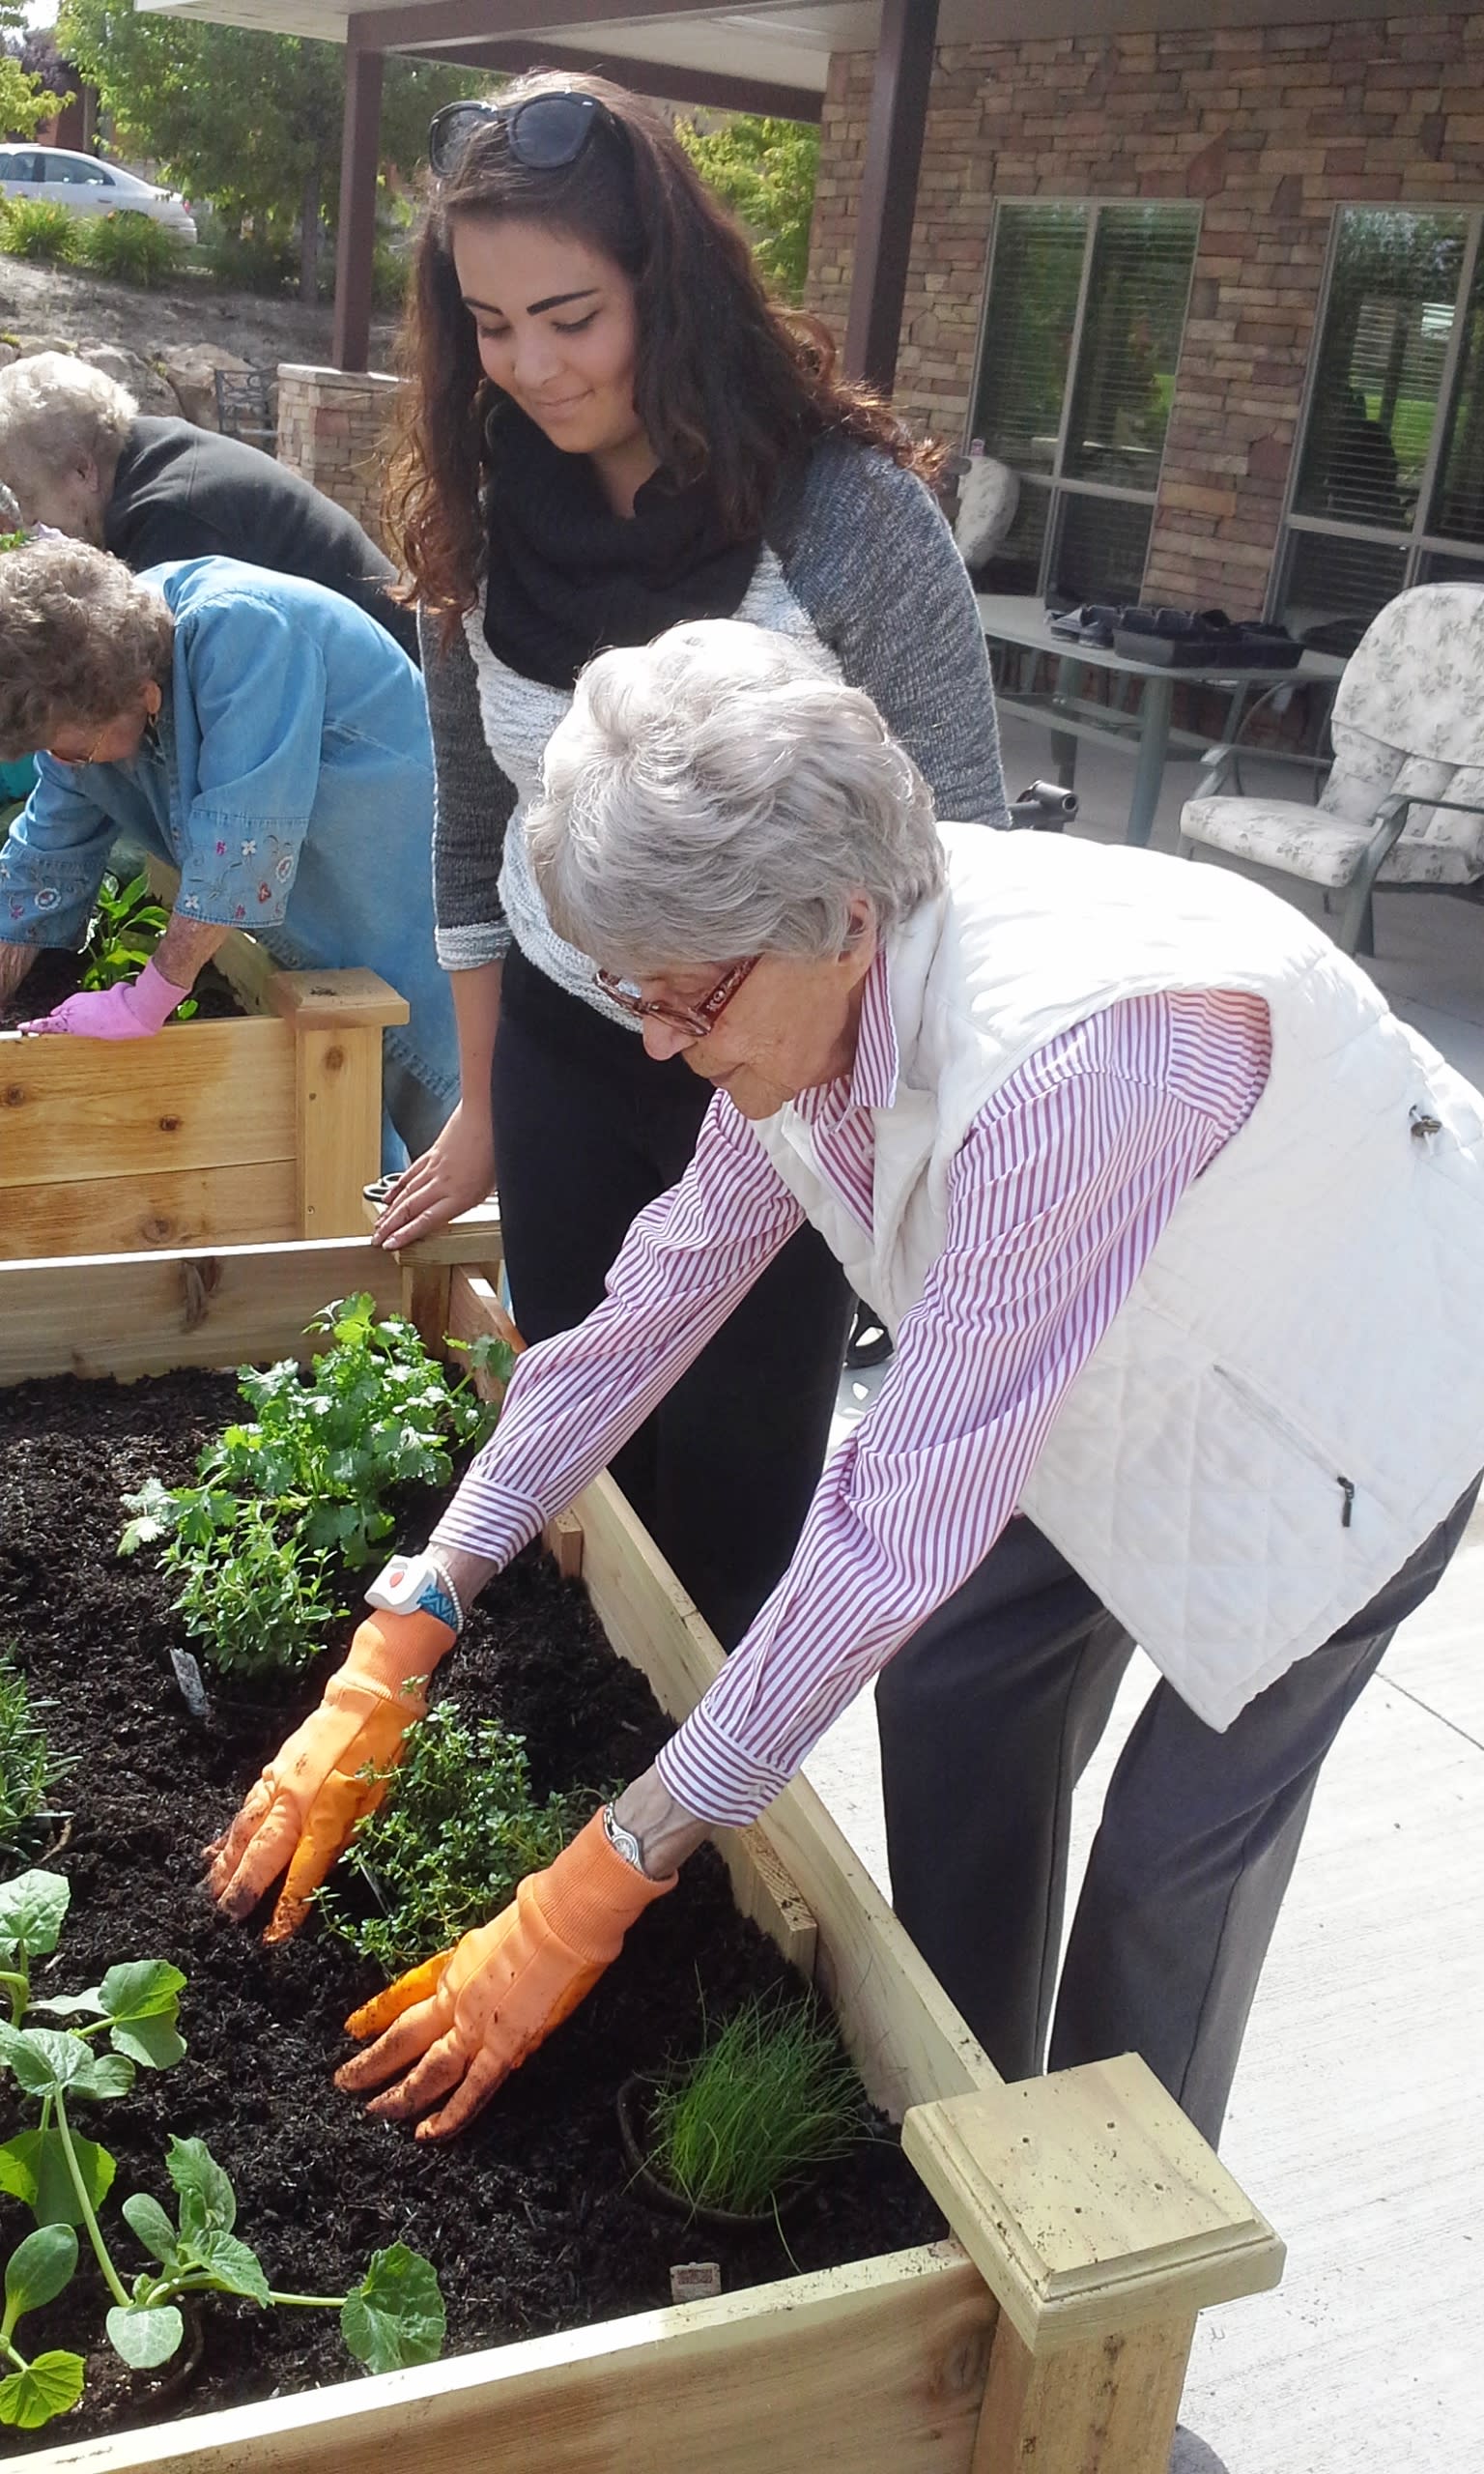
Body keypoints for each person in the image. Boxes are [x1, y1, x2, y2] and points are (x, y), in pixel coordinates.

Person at [206, 619, 1484, 2149]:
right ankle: (964, 2119)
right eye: (635, 999)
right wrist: (411, 1621)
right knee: (953, 1689)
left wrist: (610, 1872)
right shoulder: (800, 1006)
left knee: (1170, 1868)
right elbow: (642, 1313)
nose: (670, 1051)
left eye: (693, 1001)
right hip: (1102, 1344)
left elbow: (887, 1529)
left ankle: (1103, 2243)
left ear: (846, 918)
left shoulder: (1075, 1063)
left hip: (1350, 1388)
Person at [365, 72, 1007, 1650]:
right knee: (579, 1450)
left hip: (786, 1082)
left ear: (672, 281)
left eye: (573, 316)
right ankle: (580, 1772)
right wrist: (483, 1107)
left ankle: (703, 1825)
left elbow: (959, 848)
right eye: (491, 324)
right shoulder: (477, 513)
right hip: (574, 1060)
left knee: (734, 1491)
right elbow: (469, 826)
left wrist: (908, 1138)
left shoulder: (845, 518)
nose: (530, 366)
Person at [0, 539, 457, 1161]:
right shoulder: (91, 673)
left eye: (70, 749)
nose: (61, 764)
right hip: (319, 958)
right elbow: (41, 856)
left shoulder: (243, 633)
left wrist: (151, 996)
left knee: (465, 1152)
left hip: (410, 918)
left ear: (142, 697)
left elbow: (240, 849)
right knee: (360, 1162)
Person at [0, 354, 419, 661]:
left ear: (81, 469)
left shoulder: (173, 516)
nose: (29, 522)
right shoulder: (151, 456)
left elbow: (153, 691)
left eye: (26, 495)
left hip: (388, 726)